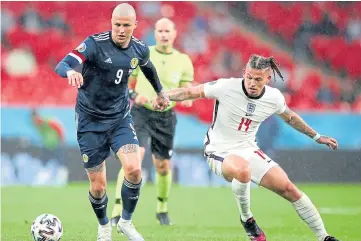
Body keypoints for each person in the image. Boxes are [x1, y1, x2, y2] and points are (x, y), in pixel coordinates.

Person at [165, 54, 340, 241]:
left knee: (289, 188)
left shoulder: (274, 98)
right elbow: (192, 92)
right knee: (242, 171)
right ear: (244, 73)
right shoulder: (226, 86)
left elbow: (290, 117)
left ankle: (324, 237)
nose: (252, 83)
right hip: (219, 150)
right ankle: (247, 219)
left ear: (267, 79)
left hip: (248, 149)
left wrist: (316, 136)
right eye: (249, 77)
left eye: (258, 79)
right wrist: (164, 96)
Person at [54, 3, 169, 241]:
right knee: (98, 187)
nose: (120, 29)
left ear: (134, 26)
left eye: (126, 25)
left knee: (135, 169)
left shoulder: (139, 49)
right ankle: (104, 225)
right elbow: (61, 65)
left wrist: (160, 92)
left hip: (119, 119)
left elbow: (149, 68)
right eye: (116, 24)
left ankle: (125, 222)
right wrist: (71, 72)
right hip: (89, 122)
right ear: (111, 23)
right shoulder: (94, 44)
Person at [111, 17, 194, 226]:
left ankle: (162, 208)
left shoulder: (183, 60)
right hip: (141, 112)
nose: (164, 34)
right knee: (133, 161)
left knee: (163, 166)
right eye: (160, 31)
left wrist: (188, 99)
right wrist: (135, 95)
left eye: (168, 31)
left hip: (165, 117)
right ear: (155, 34)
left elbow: (187, 89)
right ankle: (117, 210)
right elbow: (124, 85)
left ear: (175, 33)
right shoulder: (141, 53)